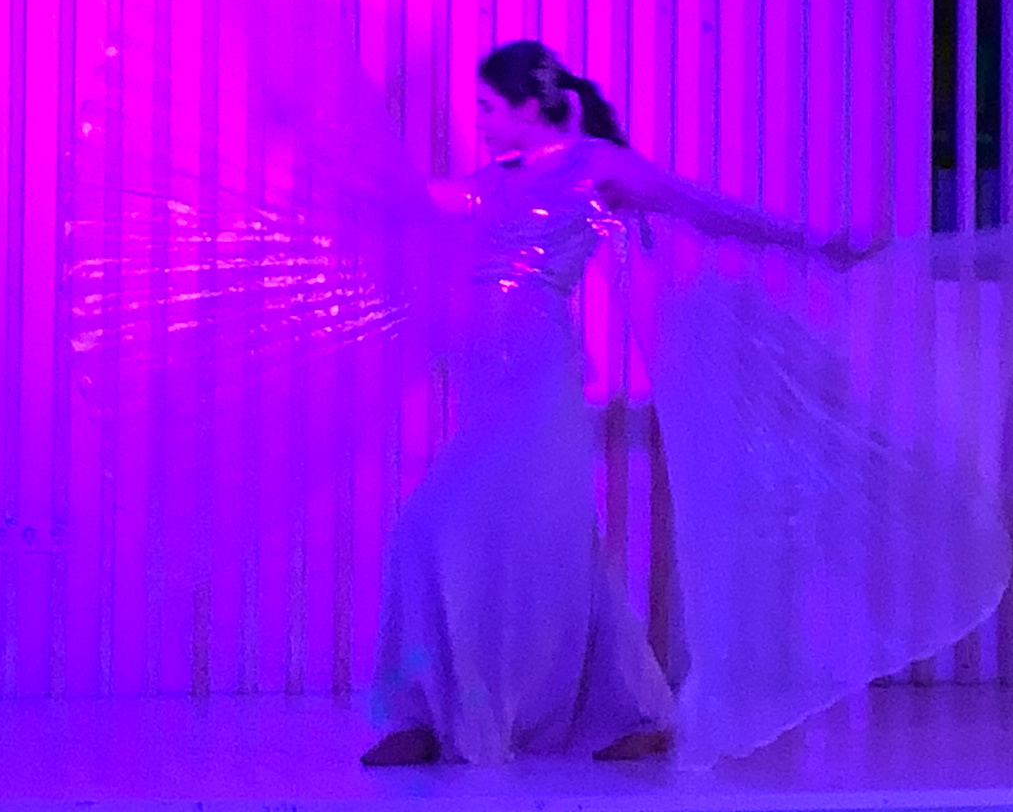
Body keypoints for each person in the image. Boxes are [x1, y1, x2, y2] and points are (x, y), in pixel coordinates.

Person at [360, 41, 911, 767]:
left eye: (489, 107)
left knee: (441, 526)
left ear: (531, 105)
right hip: (484, 383)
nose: (480, 121)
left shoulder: (596, 166)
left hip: (537, 380)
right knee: (520, 540)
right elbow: (410, 201)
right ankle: (454, 713)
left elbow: (703, 208)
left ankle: (496, 710)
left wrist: (811, 242)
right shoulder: (492, 182)